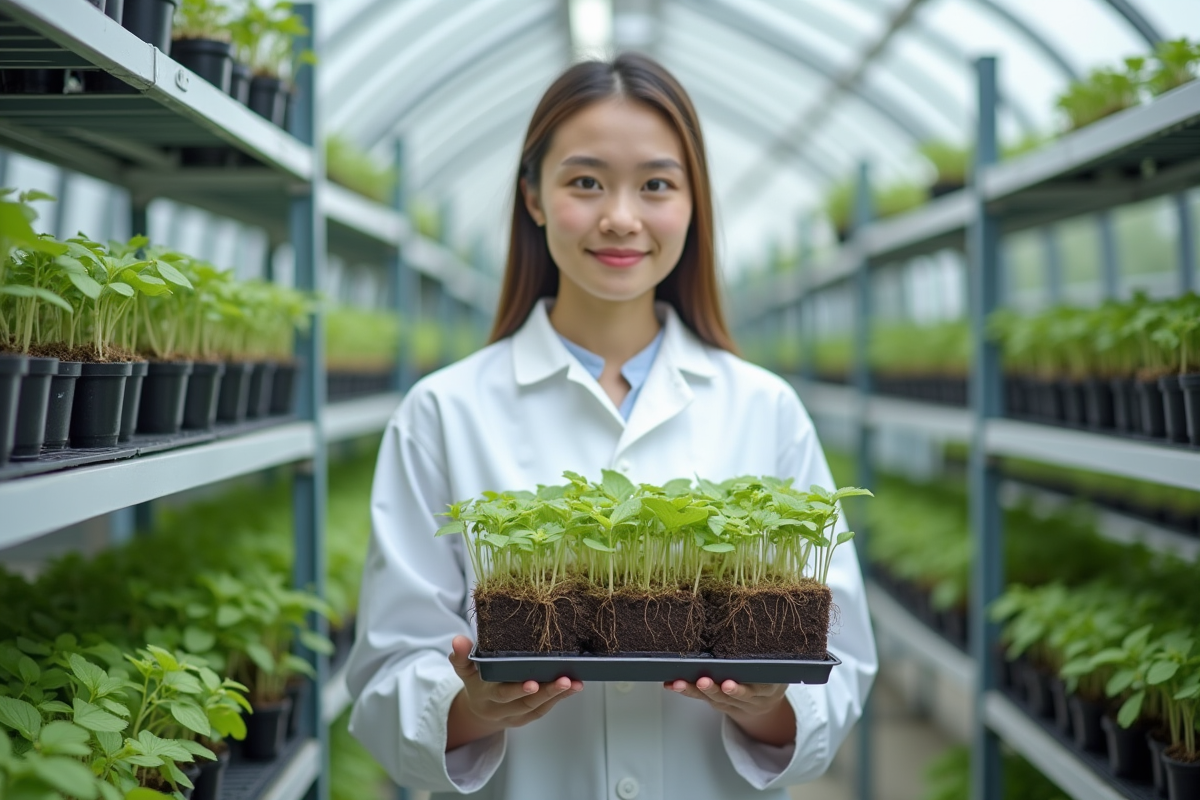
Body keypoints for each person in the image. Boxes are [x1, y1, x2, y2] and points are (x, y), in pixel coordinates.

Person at [345, 52, 876, 799]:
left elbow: (841, 666)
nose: (620, 217)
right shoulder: (442, 412)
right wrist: (470, 705)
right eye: (585, 181)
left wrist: (771, 706)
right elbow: (383, 685)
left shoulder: (766, 408)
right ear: (532, 196)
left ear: (694, 204)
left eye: (656, 184)